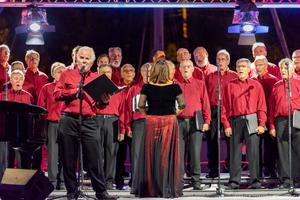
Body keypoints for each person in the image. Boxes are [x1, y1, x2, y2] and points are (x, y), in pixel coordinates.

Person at [54, 46, 117, 200]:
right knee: (68, 158)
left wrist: (104, 102)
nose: (84, 60)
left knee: (95, 157)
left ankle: (101, 192)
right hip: (69, 119)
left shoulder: (96, 78)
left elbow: (99, 105)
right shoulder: (67, 74)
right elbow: (56, 93)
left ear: (92, 62)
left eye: (87, 58)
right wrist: (75, 91)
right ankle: (71, 192)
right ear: (76, 58)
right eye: (81, 57)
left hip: (89, 121)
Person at [135, 59, 185, 198]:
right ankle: (166, 187)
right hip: (169, 121)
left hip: (152, 121)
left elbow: (140, 105)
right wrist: (174, 114)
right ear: (167, 71)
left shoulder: (146, 86)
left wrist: (148, 115)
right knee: (166, 155)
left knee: (151, 154)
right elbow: (182, 105)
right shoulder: (175, 87)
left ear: (154, 70)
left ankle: (151, 189)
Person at [222, 58, 267, 189]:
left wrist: (261, 123)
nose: (240, 68)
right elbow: (224, 107)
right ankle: (234, 181)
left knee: (253, 152)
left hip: (252, 119)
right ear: (236, 69)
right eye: (238, 66)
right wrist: (226, 125)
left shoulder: (256, 85)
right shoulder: (230, 85)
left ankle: (255, 181)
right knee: (235, 152)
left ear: (249, 69)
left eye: (243, 66)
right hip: (235, 120)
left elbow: (262, 106)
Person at [177, 59, 211, 190]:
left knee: (195, 153)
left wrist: (207, 121)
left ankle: (196, 182)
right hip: (179, 123)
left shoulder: (200, 84)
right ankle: (178, 183)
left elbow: (205, 104)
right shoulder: (175, 85)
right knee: (179, 154)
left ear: (192, 69)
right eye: (183, 67)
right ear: (179, 69)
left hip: (195, 122)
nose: (186, 69)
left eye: (188, 66)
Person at [205, 49, 238, 178]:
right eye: (218, 59)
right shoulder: (210, 76)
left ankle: (231, 169)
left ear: (228, 61)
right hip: (213, 110)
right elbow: (205, 96)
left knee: (232, 141)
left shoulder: (234, 76)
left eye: (223, 59)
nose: (220, 62)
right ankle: (213, 170)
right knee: (212, 141)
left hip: (229, 112)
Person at [269, 58, 300, 189]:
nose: (283, 71)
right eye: (281, 68)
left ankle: (298, 178)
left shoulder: (299, 82)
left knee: (298, 148)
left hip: (297, 117)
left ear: (292, 69)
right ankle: (286, 179)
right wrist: (271, 126)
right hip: (280, 120)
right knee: (283, 150)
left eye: (285, 68)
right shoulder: (276, 86)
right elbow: (271, 107)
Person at [95, 64, 126, 190]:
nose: (106, 74)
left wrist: (122, 130)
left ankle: (108, 181)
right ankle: (97, 181)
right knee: (97, 153)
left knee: (111, 152)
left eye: (108, 72)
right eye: (103, 72)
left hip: (113, 121)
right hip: (96, 120)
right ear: (98, 73)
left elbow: (123, 111)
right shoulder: (94, 88)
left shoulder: (117, 90)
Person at [37, 62, 66, 189]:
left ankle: (63, 181)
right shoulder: (47, 88)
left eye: (63, 72)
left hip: (66, 124)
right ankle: (53, 181)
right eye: (59, 71)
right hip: (52, 124)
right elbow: (40, 108)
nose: (62, 74)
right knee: (53, 154)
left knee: (66, 153)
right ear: (53, 73)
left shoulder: (69, 89)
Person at [124, 63, 151, 193]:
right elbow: (128, 110)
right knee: (137, 154)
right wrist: (128, 127)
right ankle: (135, 183)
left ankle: (152, 182)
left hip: (154, 123)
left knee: (153, 153)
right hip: (139, 124)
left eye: (150, 72)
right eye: (145, 72)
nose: (148, 74)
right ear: (141, 73)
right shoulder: (134, 89)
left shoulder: (157, 88)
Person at [252, 55, 278, 178]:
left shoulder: (273, 80)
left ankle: (271, 170)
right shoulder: (252, 79)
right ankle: (257, 173)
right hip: (254, 117)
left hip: (269, 116)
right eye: (256, 65)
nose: (258, 67)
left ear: (266, 66)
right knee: (255, 146)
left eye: (260, 65)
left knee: (270, 146)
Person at [0, 44, 11, 180]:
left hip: (8, 108)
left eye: (7, 53)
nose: (5, 55)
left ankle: (5, 175)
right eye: (3, 52)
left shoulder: (10, 68)